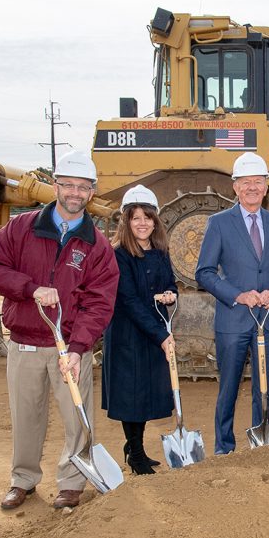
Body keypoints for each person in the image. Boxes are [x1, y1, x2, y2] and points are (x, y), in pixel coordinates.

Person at [0, 150, 119, 510]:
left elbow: (100, 302)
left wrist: (78, 348)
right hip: (25, 342)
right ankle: (22, 480)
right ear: (56, 186)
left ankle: (71, 482)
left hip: (70, 350)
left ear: (91, 193)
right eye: (68, 185)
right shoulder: (20, 228)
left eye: (83, 187)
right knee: (26, 416)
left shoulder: (97, 246)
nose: (75, 193)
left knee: (77, 418)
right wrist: (30, 288)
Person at [195, 152, 269, 454]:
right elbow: (204, 271)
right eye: (246, 182)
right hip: (233, 319)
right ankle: (224, 447)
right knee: (228, 387)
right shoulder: (219, 223)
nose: (252, 187)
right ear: (235, 186)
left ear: (266, 187)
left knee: (264, 387)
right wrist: (237, 295)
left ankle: (261, 443)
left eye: (258, 182)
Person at [101, 185, 177, 475]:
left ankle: (135, 447)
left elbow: (169, 283)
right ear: (126, 221)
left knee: (144, 394)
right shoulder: (118, 255)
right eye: (136, 218)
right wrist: (161, 336)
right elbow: (130, 301)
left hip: (152, 330)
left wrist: (171, 294)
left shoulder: (159, 251)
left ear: (155, 221)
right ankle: (136, 454)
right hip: (128, 335)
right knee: (130, 396)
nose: (142, 223)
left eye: (148, 217)